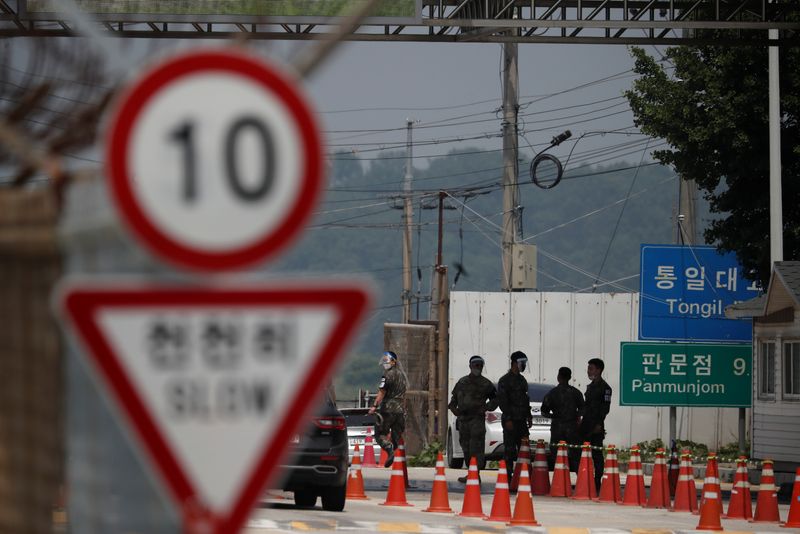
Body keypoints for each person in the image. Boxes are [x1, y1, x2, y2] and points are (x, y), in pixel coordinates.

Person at [448, 355, 498, 483]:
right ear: (470, 366)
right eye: (476, 365)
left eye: (480, 365)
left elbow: (495, 399)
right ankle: (471, 473)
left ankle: (476, 474)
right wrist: (454, 409)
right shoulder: (462, 382)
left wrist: (486, 407)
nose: (478, 368)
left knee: (476, 448)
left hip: (477, 420)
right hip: (464, 420)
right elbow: (453, 400)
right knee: (466, 447)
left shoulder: (486, 384)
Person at [497, 350, 533, 481]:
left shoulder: (522, 380)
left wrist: (529, 415)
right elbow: (503, 402)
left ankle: (525, 476)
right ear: (514, 363)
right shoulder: (505, 381)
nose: (523, 366)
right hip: (510, 420)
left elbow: (525, 399)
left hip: (521, 421)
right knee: (510, 450)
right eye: (522, 363)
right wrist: (508, 419)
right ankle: (508, 476)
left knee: (524, 449)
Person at [540, 366, 584, 471]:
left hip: (557, 429)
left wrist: (553, 416)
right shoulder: (576, 393)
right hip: (572, 428)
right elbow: (583, 409)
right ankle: (579, 478)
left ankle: (558, 478)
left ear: (558, 377)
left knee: (556, 455)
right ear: (569, 377)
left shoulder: (552, 393)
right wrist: (576, 416)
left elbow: (544, 411)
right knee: (576, 454)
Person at [368, 351, 407, 468]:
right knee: (397, 437)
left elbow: (382, 391)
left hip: (388, 409)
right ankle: (397, 459)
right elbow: (404, 394)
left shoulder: (387, 375)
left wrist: (374, 406)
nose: (385, 363)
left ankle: (389, 450)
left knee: (379, 434)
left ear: (393, 361)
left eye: (387, 360)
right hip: (400, 411)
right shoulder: (402, 375)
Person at [579, 357, 612, 492]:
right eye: (588, 368)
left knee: (597, 455)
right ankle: (585, 479)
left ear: (599, 370)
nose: (588, 371)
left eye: (591, 368)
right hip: (586, 424)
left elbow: (605, 408)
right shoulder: (590, 387)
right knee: (582, 454)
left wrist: (599, 424)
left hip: (596, 426)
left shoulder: (605, 388)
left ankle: (597, 481)